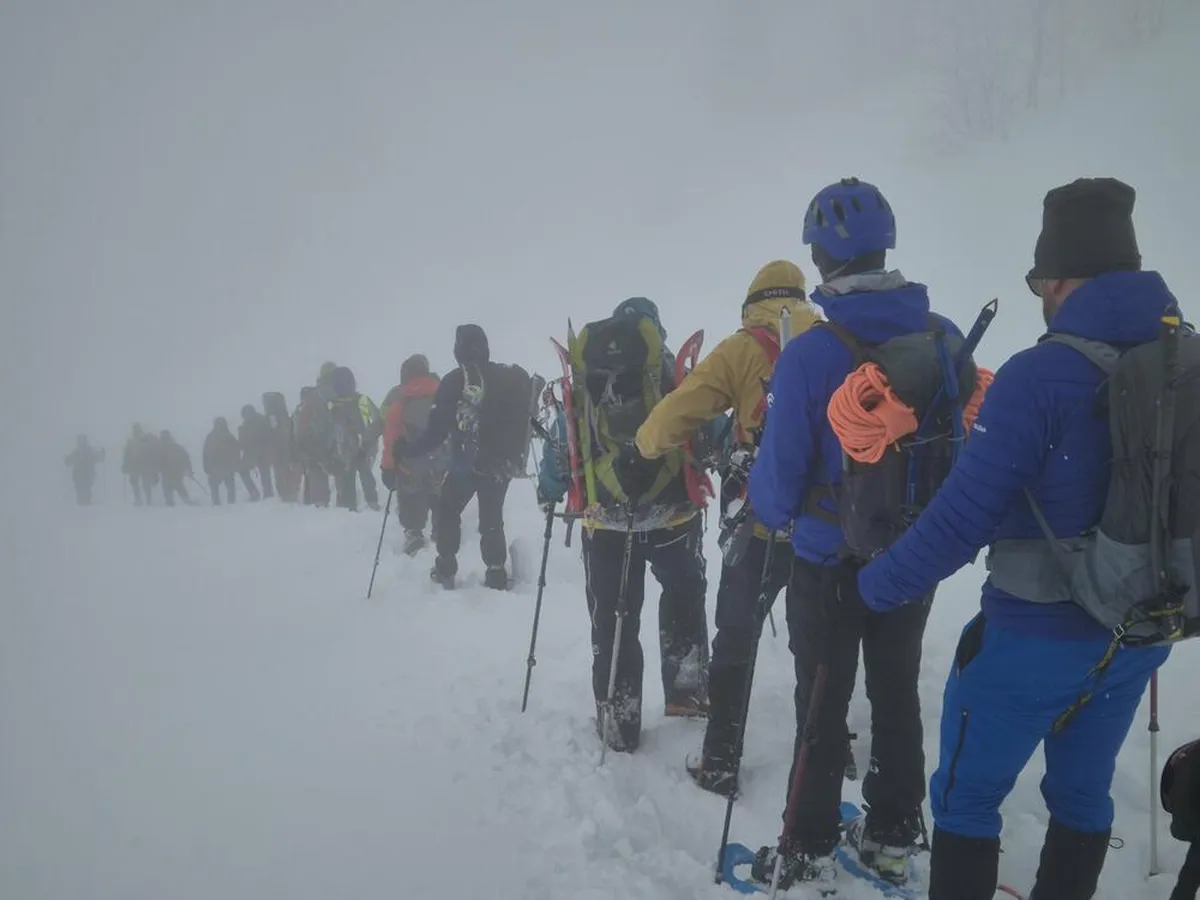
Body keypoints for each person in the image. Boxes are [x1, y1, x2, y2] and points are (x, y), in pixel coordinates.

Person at [857, 178, 1177, 900]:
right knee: (1083, 795)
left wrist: (874, 586)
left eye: (1040, 280)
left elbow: (959, 521)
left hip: (1036, 637)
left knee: (967, 799)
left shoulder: (1040, 377)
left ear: (1061, 278)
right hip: (1138, 633)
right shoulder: (1184, 365)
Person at [747, 178, 970, 889]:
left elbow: (778, 487)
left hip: (825, 558)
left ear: (821, 258)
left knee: (822, 699)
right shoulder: (943, 338)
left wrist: (770, 511)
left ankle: (807, 844)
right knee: (897, 691)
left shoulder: (811, 354)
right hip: (910, 554)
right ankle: (894, 835)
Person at [635, 261, 819, 796]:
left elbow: (677, 414)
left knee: (737, 638)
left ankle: (720, 760)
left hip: (759, 525)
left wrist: (645, 445)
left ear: (754, 301)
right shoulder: (836, 339)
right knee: (819, 643)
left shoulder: (742, 348)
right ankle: (822, 757)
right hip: (828, 525)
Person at [538, 298, 711, 753]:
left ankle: (618, 719)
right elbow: (704, 430)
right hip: (672, 513)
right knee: (683, 593)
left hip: (605, 519)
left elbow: (566, 434)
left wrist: (552, 489)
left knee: (614, 614)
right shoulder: (674, 373)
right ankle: (686, 690)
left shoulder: (588, 377)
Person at [395, 325, 529, 590]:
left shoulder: (454, 381)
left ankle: (445, 568)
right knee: (492, 517)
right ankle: (495, 572)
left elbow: (435, 433)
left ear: (458, 351)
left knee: (448, 509)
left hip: (464, 465)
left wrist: (406, 450)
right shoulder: (509, 378)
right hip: (501, 465)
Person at [380, 354, 445, 555]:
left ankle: (414, 534)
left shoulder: (400, 398)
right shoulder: (443, 392)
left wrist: (388, 467)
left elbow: (392, 435)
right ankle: (441, 531)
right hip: (440, 462)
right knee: (439, 497)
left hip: (409, 463)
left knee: (411, 500)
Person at [327, 366, 382, 511]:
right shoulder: (359, 400)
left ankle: (353, 507)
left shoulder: (333, 405)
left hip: (352, 449)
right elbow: (378, 421)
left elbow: (328, 429)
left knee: (353, 478)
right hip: (360, 448)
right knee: (361, 477)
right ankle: (368, 505)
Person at [294, 386, 332, 506]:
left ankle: (313, 502)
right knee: (318, 474)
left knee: (312, 474)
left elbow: (299, 431)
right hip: (318, 448)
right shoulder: (319, 406)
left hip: (309, 448)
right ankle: (319, 501)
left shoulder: (303, 409)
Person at [203, 417, 243, 505]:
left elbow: (206, 453)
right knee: (228, 485)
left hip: (218, 466)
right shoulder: (227, 435)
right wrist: (237, 463)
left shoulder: (212, 436)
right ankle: (230, 503)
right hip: (224, 466)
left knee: (217, 486)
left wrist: (206, 467)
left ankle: (219, 503)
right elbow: (236, 449)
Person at [238, 404, 273, 500]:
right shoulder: (258, 422)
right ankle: (266, 494)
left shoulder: (260, 422)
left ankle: (261, 494)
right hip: (257, 453)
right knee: (264, 474)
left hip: (259, 453)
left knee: (263, 474)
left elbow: (246, 441)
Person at [121, 424, 157, 506]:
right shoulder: (131, 442)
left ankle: (148, 500)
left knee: (145, 484)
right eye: (134, 429)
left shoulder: (145, 440)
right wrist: (125, 465)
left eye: (136, 429)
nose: (135, 431)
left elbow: (151, 453)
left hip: (144, 464)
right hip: (135, 465)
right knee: (135, 482)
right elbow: (127, 455)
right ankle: (139, 499)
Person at [65, 435, 105, 505]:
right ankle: (83, 504)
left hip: (87, 475)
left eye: (82, 441)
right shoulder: (77, 452)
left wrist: (102, 455)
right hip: (79, 476)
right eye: (80, 441)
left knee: (85, 490)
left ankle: (85, 503)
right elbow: (69, 461)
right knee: (80, 490)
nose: (81, 443)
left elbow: (98, 458)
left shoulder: (87, 451)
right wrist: (67, 460)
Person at [158, 430, 194, 506]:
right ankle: (186, 501)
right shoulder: (175, 447)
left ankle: (181, 503)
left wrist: (188, 469)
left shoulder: (163, 448)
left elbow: (185, 458)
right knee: (177, 488)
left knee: (173, 488)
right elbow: (186, 459)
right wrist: (188, 469)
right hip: (171, 473)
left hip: (172, 473)